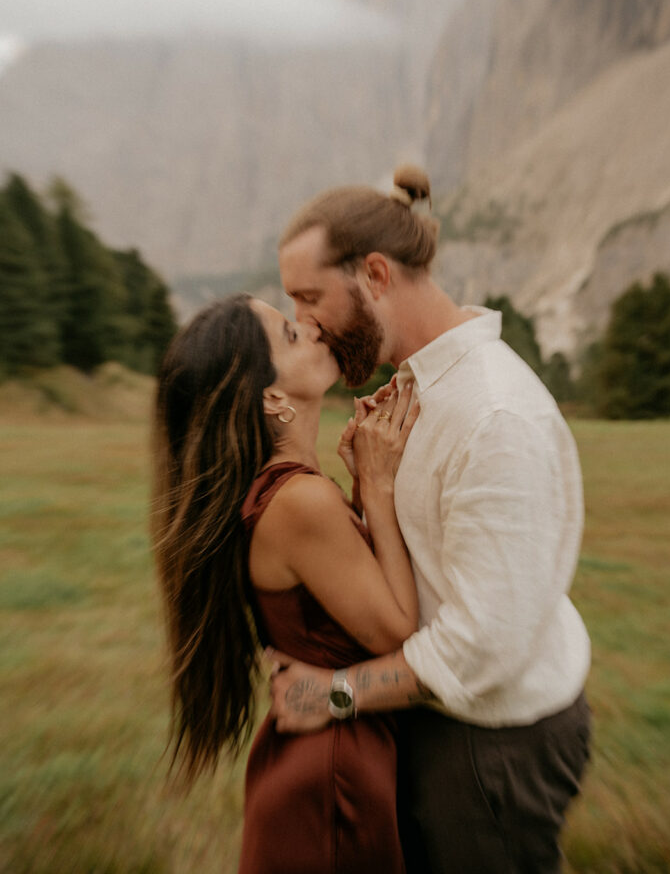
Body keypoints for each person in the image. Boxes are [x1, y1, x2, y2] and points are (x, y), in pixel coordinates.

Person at [269, 164, 592, 874]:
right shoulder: (418, 389)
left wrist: (336, 695)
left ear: (376, 275)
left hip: (492, 746)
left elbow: (481, 645)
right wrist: (369, 493)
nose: (305, 323)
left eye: (310, 297)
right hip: (440, 722)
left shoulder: (492, 415)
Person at [150, 292, 421, 874]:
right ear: (272, 396)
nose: (314, 327)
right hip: (332, 775)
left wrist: (358, 489)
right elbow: (397, 630)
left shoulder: (288, 489)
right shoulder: (299, 500)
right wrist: (376, 488)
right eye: (292, 335)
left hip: (319, 757)